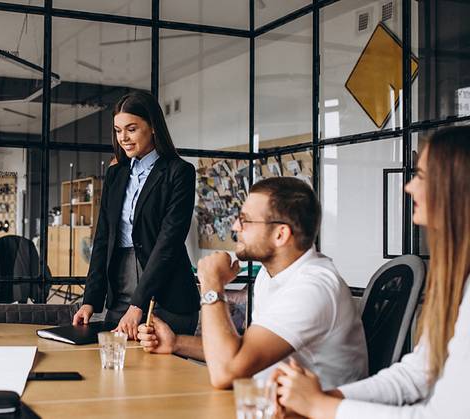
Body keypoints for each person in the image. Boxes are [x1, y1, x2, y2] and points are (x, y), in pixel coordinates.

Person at [273, 127, 470, 419]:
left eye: (422, 177)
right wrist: (321, 400)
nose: (408, 187)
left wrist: (321, 406)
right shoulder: (457, 278)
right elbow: (415, 375)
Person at [137, 177, 367, 390]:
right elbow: (242, 352)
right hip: (271, 405)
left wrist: (212, 285)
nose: (235, 227)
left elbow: (226, 373)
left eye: (245, 220)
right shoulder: (270, 275)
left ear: (280, 234)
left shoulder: (312, 288)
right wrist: (176, 343)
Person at [72, 91, 200, 338]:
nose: (123, 138)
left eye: (131, 129)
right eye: (118, 130)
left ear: (152, 126)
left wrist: (138, 304)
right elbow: (102, 238)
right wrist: (90, 300)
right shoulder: (116, 174)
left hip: (168, 295)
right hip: (120, 292)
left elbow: (168, 243)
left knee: (159, 375)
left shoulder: (179, 172)